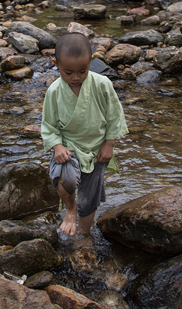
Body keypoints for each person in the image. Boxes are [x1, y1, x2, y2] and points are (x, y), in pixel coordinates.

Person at [41, 32, 128, 237]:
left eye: (83, 71)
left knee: (89, 198)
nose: (76, 77)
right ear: (56, 64)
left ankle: (85, 235)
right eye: (68, 72)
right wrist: (57, 146)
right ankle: (70, 208)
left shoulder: (102, 84)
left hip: (97, 148)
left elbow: (114, 116)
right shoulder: (54, 91)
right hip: (68, 146)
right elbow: (49, 124)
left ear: (91, 61)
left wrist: (109, 144)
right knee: (65, 179)